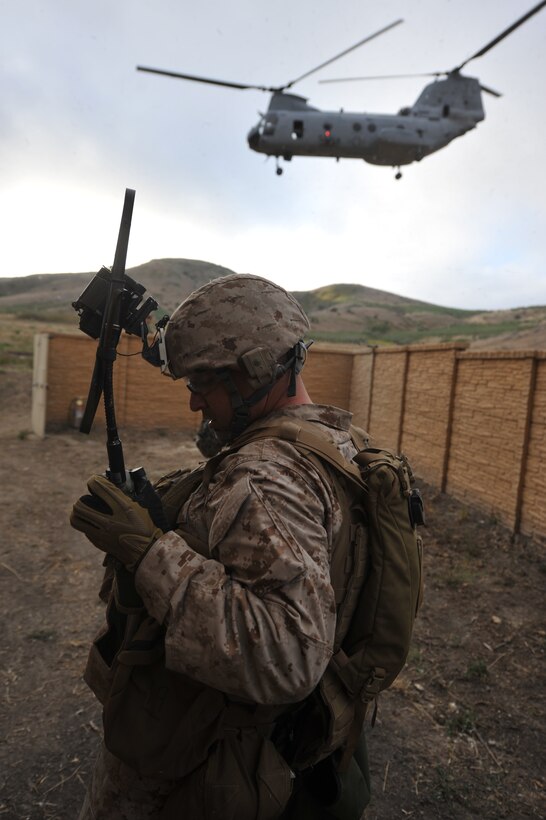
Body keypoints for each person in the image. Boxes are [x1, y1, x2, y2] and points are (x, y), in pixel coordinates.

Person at [70, 274, 371, 819]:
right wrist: (143, 325)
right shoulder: (337, 443)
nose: (192, 403)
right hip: (272, 742)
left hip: (206, 755)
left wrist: (148, 553)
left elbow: (288, 654)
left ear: (255, 373)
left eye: (203, 384)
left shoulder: (266, 478)